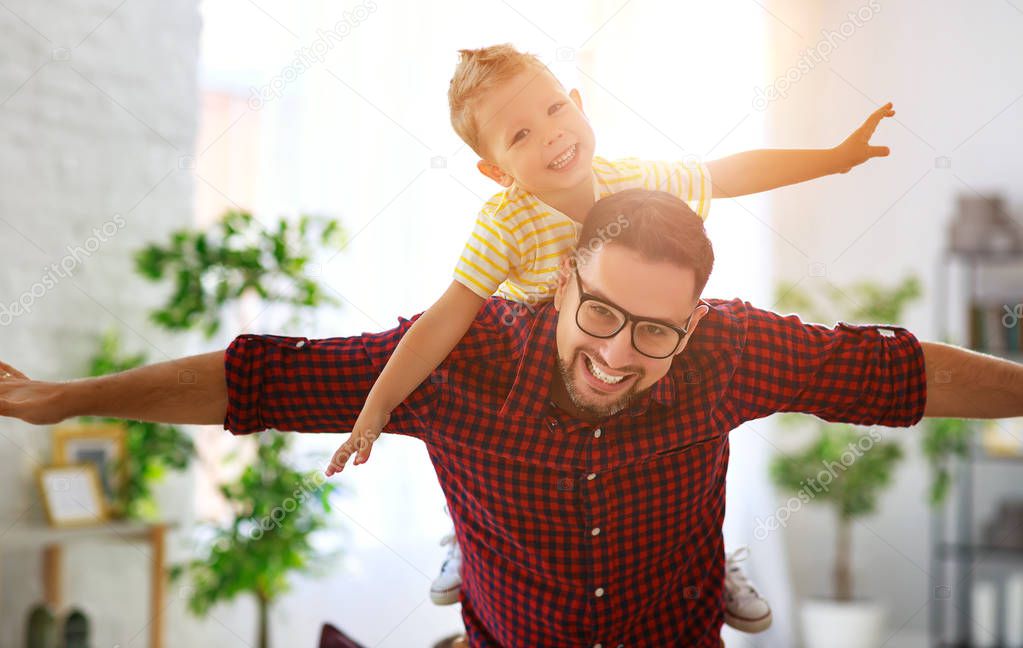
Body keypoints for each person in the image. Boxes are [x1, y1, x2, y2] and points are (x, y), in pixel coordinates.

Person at [4, 190, 1019, 646]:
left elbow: (895, 374)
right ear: (560, 282)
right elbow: (260, 380)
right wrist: (66, 399)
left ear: (696, 322)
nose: (621, 354)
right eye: (603, 314)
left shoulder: (731, 350)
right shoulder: (461, 356)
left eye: (657, 332)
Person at [326, 44, 896, 627]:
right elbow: (444, 317)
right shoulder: (508, 223)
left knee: (685, 451)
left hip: (629, 371)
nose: (549, 135)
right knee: (510, 475)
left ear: (577, 103)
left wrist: (834, 158)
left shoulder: (631, 179)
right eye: (519, 135)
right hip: (549, 379)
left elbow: (727, 174)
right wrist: (377, 408)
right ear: (496, 170)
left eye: (553, 109)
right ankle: (466, 546)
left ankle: (711, 558)